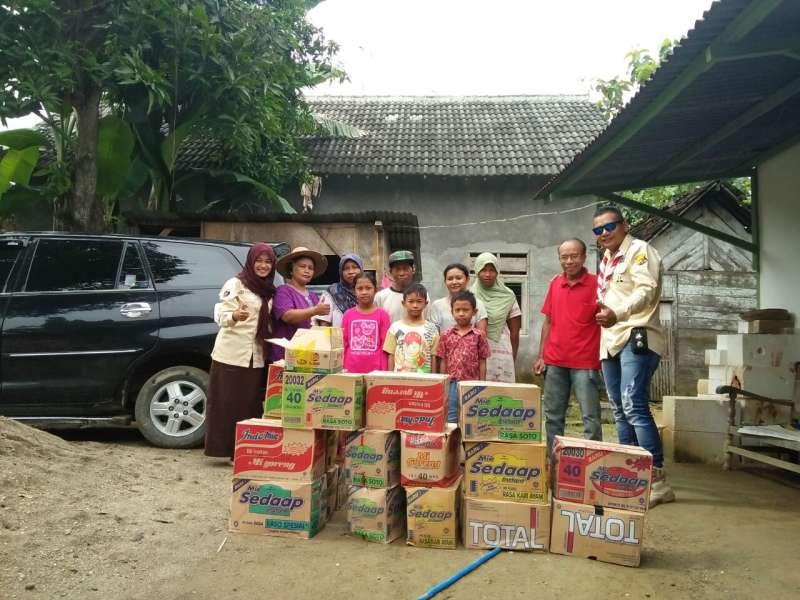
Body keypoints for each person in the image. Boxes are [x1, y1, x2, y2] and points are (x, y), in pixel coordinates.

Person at [593, 205, 675, 507]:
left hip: (635, 334)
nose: (604, 233)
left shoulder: (640, 251)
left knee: (633, 404)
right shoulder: (605, 259)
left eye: (609, 226)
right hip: (610, 339)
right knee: (618, 407)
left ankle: (657, 479)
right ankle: (631, 474)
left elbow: (647, 291)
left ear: (624, 225)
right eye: (598, 230)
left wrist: (619, 312)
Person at [205, 243, 276, 459]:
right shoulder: (236, 283)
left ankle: (243, 452)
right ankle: (222, 449)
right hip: (231, 354)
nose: (263, 266)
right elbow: (221, 316)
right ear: (250, 261)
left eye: (268, 262)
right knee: (226, 403)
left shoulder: (268, 289)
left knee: (249, 404)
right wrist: (235, 316)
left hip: (255, 356)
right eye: (259, 261)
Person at [534, 239, 603, 455]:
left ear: (584, 257)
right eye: (564, 257)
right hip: (555, 362)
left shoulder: (598, 284)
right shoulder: (555, 283)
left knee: (590, 416)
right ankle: (553, 463)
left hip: (586, 362)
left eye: (574, 256)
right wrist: (541, 356)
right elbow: (548, 322)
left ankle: (593, 462)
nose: (569, 261)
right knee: (553, 415)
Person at [436, 291, 491, 423]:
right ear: (452, 311)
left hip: (472, 383)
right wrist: (444, 383)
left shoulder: (479, 335)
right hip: (452, 383)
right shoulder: (446, 335)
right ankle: (452, 442)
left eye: (465, 310)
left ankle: (468, 443)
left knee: (471, 418)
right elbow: (443, 360)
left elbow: (482, 360)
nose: (461, 313)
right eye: (457, 310)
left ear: (474, 311)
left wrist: (482, 383)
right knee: (451, 418)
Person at [270, 246, 329, 362]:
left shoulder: (313, 296)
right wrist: (315, 310)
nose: (307, 270)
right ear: (291, 269)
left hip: (308, 356)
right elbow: (287, 316)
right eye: (302, 266)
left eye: (310, 268)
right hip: (286, 355)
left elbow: (319, 322)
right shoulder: (283, 291)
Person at [470, 252, 521, 383]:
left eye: (492, 270)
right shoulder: (470, 295)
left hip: (501, 349)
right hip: (475, 349)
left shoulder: (508, 295)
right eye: (483, 270)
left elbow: (514, 332)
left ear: (497, 272)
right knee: (477, 391)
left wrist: (512, 357)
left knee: (502, 393)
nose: (488, 274)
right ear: (477, 271)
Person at [341, 272, 391, 374]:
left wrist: (384, 371)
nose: (364, 292)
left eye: (368, 288)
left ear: (375, 290)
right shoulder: (348, 315)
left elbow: (385, 346)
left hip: (375, 372)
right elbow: (343, 344)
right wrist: (342, 368)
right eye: (360, 288)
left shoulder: (382, 315)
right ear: (354, 291)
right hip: (350, 370)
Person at [383, 283, 439, 373]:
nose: (415, 305)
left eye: (419, 301)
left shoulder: (432, 329)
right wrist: (390, 378)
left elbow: (433, 356)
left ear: (426, 303)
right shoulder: (395, 327)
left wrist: (434, 379)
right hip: (400, 381)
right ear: (403, 303)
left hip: (424, 381)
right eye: (411, 301)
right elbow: (391, 355)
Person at [431, 263, 488, 334]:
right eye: (450, 279)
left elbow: (482, 335)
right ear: (445, 281)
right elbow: (433, 337)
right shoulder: (437, 306)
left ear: (467, 279)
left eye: (458, 278)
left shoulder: (478, 304)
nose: (454, 282)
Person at [375, 250, 426, 323]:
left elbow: (427, 322)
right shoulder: (380, 297)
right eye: (397, 269)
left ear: (413, 269)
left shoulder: (422, 295)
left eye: (405, 268)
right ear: (390, 272)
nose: (401, 273)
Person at [316, 253, 363, 328]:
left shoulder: (367, 292)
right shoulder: (331, 292)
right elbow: (324, 323)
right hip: (338, 338)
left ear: (361, 269)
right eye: (346, 268)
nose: (351, 271)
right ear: (341, 272)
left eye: (355, 267)